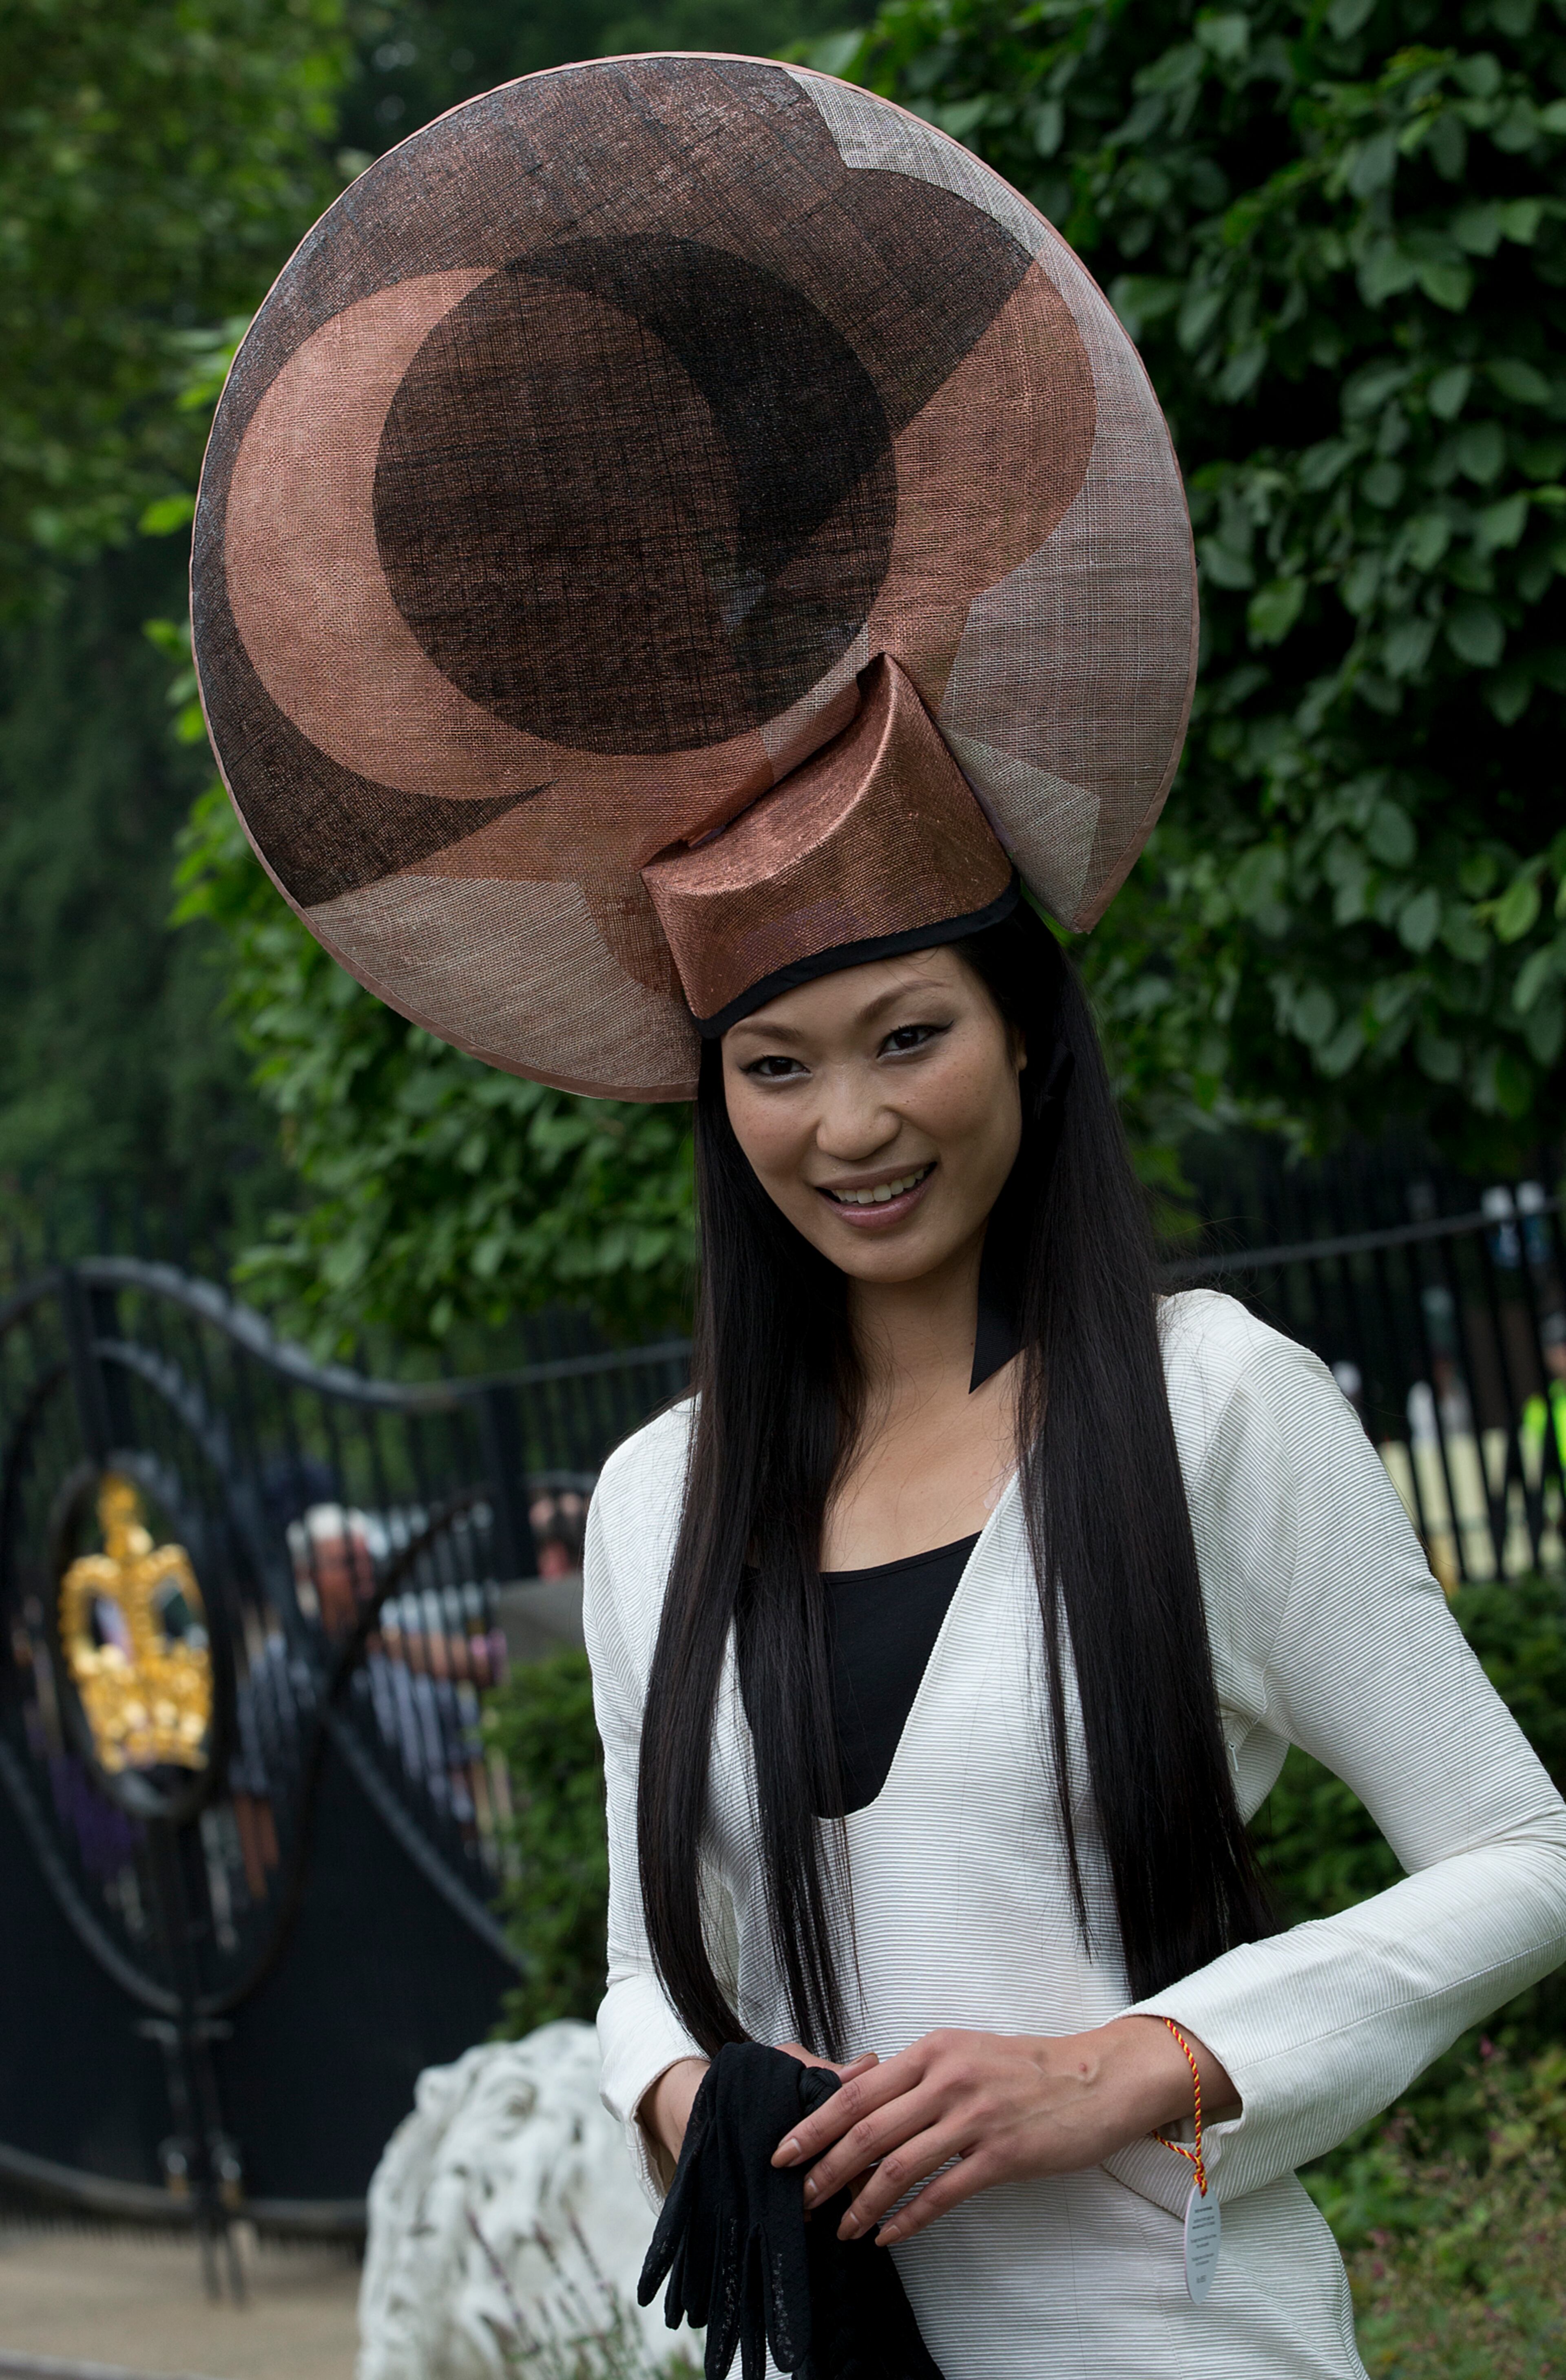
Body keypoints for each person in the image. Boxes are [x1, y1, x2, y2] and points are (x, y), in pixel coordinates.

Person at [189, 52, 1566, 2378]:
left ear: (1025, 1036)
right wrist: (683, 2094)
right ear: (714, 1096)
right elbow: (649, 1960)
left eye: (907, 1036)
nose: (849, 1125)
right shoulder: (657, 1502)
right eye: (778, 1066)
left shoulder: (1216, 1411)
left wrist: (1138, 2064)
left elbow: (1523, 1859)